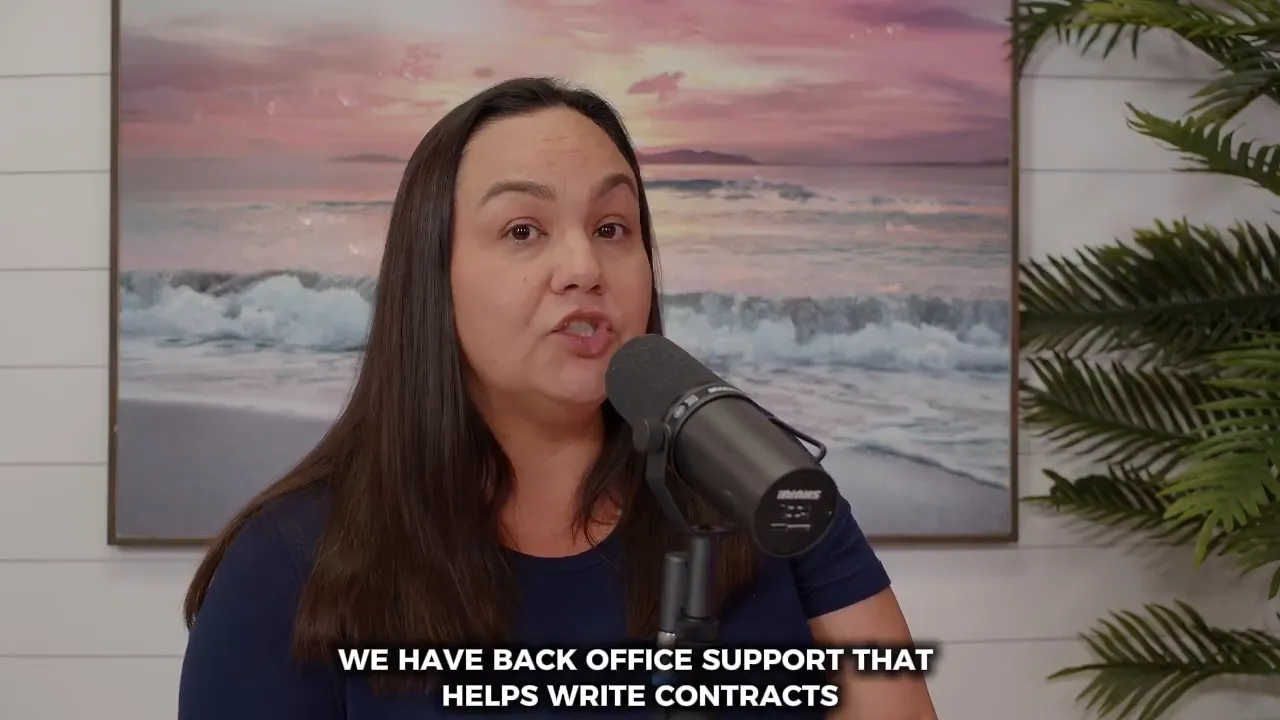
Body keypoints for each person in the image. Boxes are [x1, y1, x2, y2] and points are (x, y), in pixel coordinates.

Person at [177, 76, 939, 720]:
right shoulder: (286, 565)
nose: (583, 266)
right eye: (521, 230)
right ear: (431, 280)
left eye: (613, 226)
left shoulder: (776, 502)